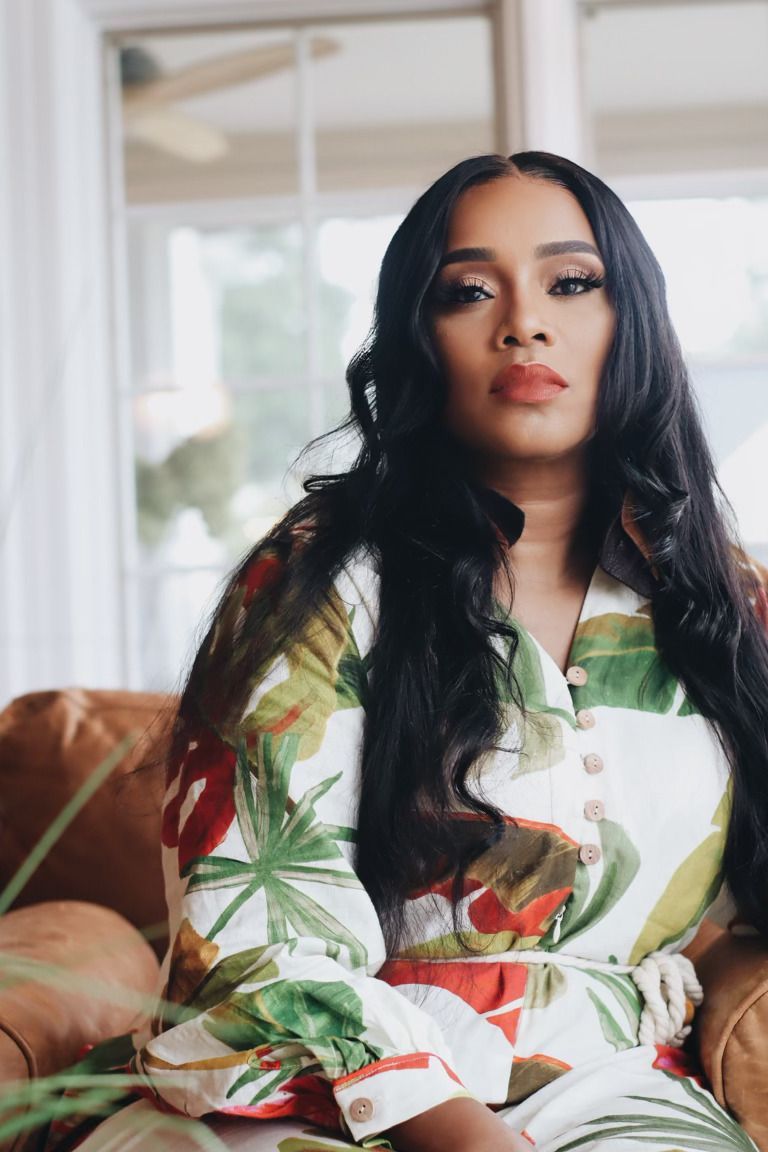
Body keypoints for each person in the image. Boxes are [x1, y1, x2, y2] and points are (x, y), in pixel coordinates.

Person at [79, 151, 768, 1152]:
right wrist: (450, 1128)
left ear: (634, 326)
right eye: (468, 291)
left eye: (571, 283)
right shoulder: (318, 581)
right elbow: (253, 935)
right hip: (311, 1083)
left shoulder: (723, 599)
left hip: (610, 1088)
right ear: (418, 340)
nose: (522, 321)